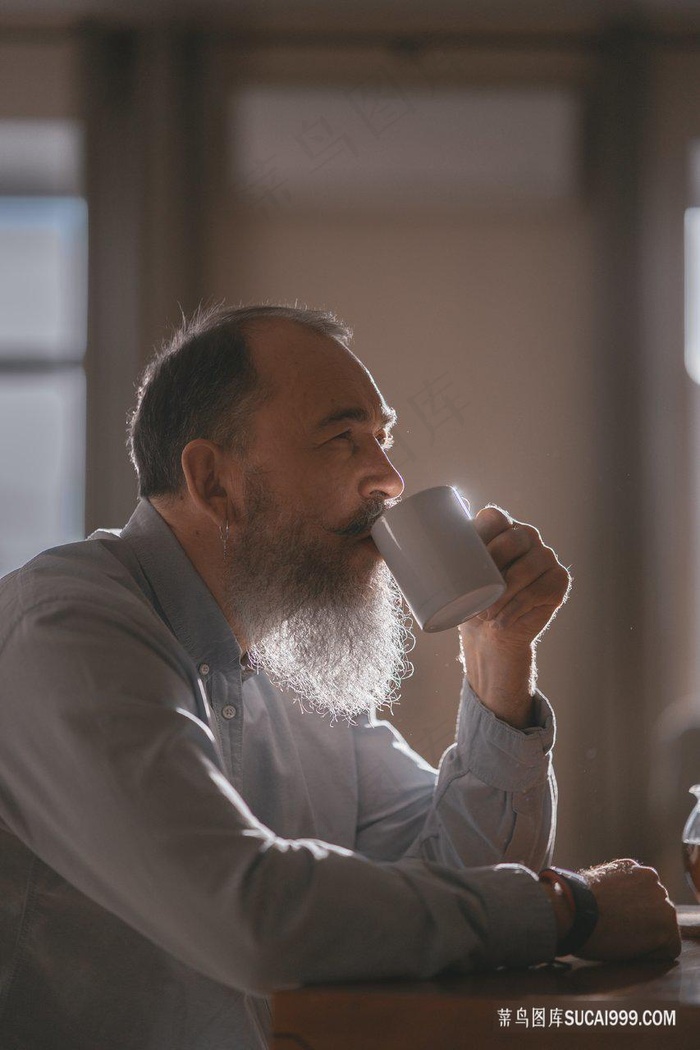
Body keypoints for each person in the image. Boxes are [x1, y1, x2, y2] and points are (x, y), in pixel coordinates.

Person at [0, 304, 679, 1050]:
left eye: (383, 438)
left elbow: (464, 873)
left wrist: (499, 655)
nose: (389, 478)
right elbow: (253, 915)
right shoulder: (64, 630)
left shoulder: (283, 659)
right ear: (214, 481)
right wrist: (568, 910)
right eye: (342, 438)